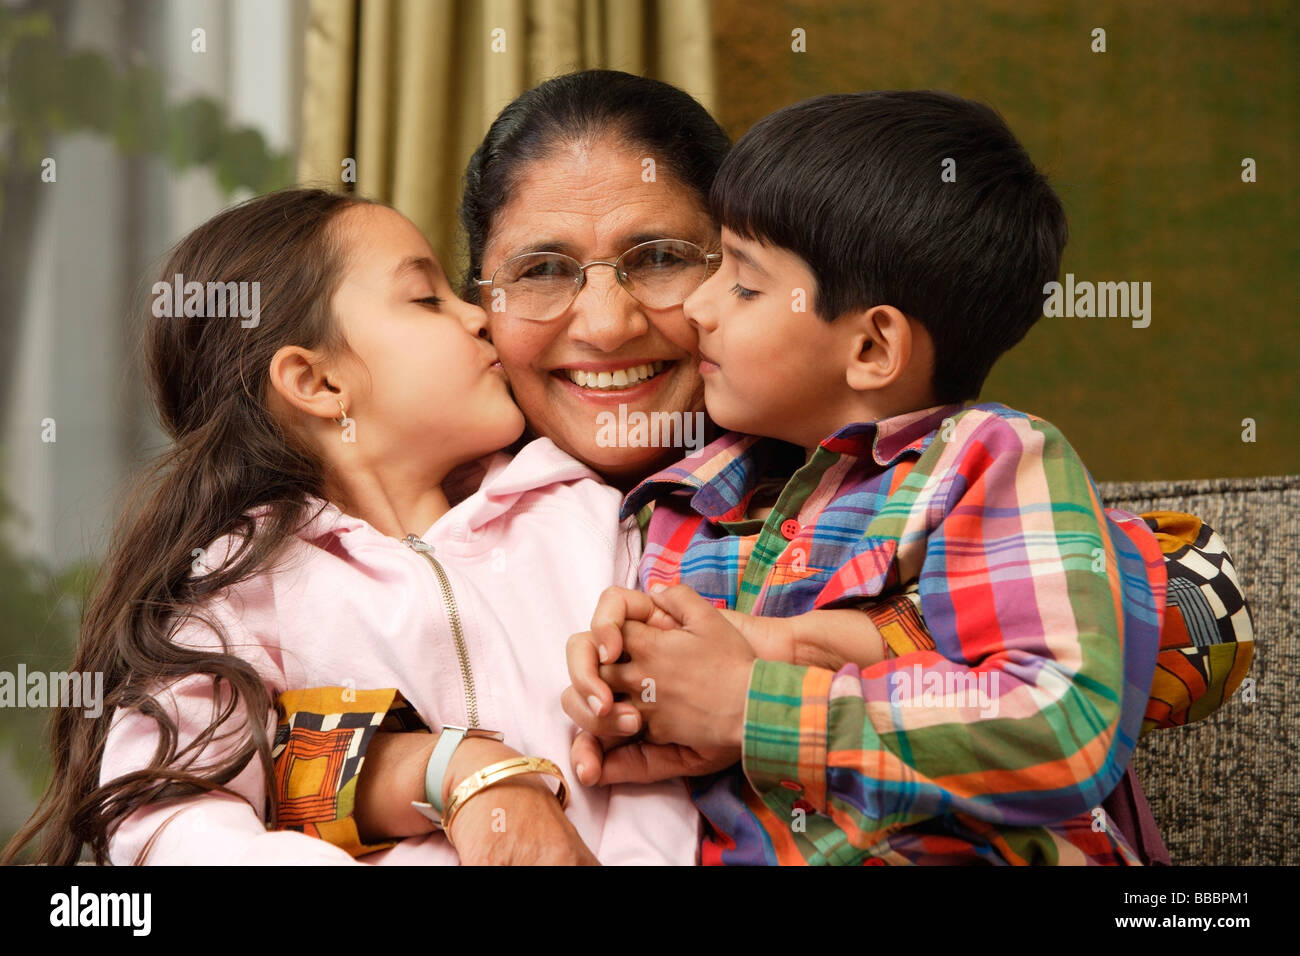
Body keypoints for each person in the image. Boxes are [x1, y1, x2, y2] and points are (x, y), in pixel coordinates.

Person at [562, 90, 1254, 865]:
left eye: (745, 284)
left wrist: (755, 703)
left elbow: (1061, 723)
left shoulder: (988, 461)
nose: (697, 304)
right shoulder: (683, 503)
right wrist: (634, 688)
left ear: (871, 349)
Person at [0, 187, 702, 865]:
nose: (481, 317)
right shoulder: (242, 583)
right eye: (427, 299)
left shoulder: (579, 515)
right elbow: (168, 816)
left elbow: (654, 762)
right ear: (319, 383)